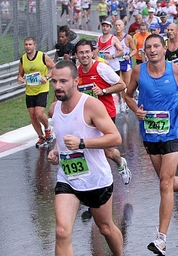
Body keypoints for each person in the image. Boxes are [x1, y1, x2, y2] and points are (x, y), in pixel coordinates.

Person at [124, 34, 178, 255]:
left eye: (156, 46)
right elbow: (128, 95)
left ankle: (161, 238)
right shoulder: (138, 71)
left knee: (165, 184)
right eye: (148, 47)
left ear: (163, 49)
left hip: (172, 132)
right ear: (144, 51)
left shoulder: (176, 71)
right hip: (150, 133)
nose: (152, 50)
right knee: (165, 181)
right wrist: (135, 109)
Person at [47, 60, 123, 256]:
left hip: (96, 179)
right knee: (61, 232)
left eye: (63, 81)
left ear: (76, 81)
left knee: (105, 228)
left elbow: (116, 137)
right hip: (68, 178)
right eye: (54, 81)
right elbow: (63, 134)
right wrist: (56, 150)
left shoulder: (91, 106)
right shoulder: (54, 108)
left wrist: (82, 143)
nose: (57, 86)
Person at [75, 39, 131, 185]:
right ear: (76, 55)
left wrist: (103, 91)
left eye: (87, 52)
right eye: (81, 53)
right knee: (85, 149)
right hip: (86, 117)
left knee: (108, 152)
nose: (85, 55)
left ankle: (120, 163)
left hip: (105, 114)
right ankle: (92, 183)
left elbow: (121, 84)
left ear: (92, 52)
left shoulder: (101, 68)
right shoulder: (76, 72)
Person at [17, 37, 55, 148]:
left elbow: (54, 68)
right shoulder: (23, 59)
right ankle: (41, 136)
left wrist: (47, 77)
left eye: (30, 44)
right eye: (26, 44)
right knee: (32, 116)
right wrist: (19, 78)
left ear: (35, 45)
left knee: (39, 113)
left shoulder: (42, 56)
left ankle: (47, 129)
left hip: (42, 89)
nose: (28, 46)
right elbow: (20, 74)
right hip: (30, 91)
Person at [115, 20, 137, 113]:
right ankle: (123, 102)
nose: (117, 27)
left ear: (123, 27)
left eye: (119, 25)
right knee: (120, 84)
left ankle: (130, 97)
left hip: (126, 62)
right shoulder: (113, 38)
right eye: (116, 25)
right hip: (117, 62)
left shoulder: (127, 37)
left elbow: (135, 49)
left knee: (127, 84)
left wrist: (130, 56)